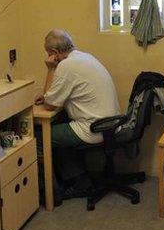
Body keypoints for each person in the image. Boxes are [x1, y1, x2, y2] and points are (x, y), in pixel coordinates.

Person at [35, 29, 120, 199]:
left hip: (93, 128)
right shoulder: (85, 57)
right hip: (111, 123)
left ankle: (60, 189)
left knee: (41, 136)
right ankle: (78, 178)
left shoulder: (66, 65)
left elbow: (49, 105)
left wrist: (51, 69)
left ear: (54, 53)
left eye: (49, 54)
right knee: (59, 127)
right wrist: (47, 96)